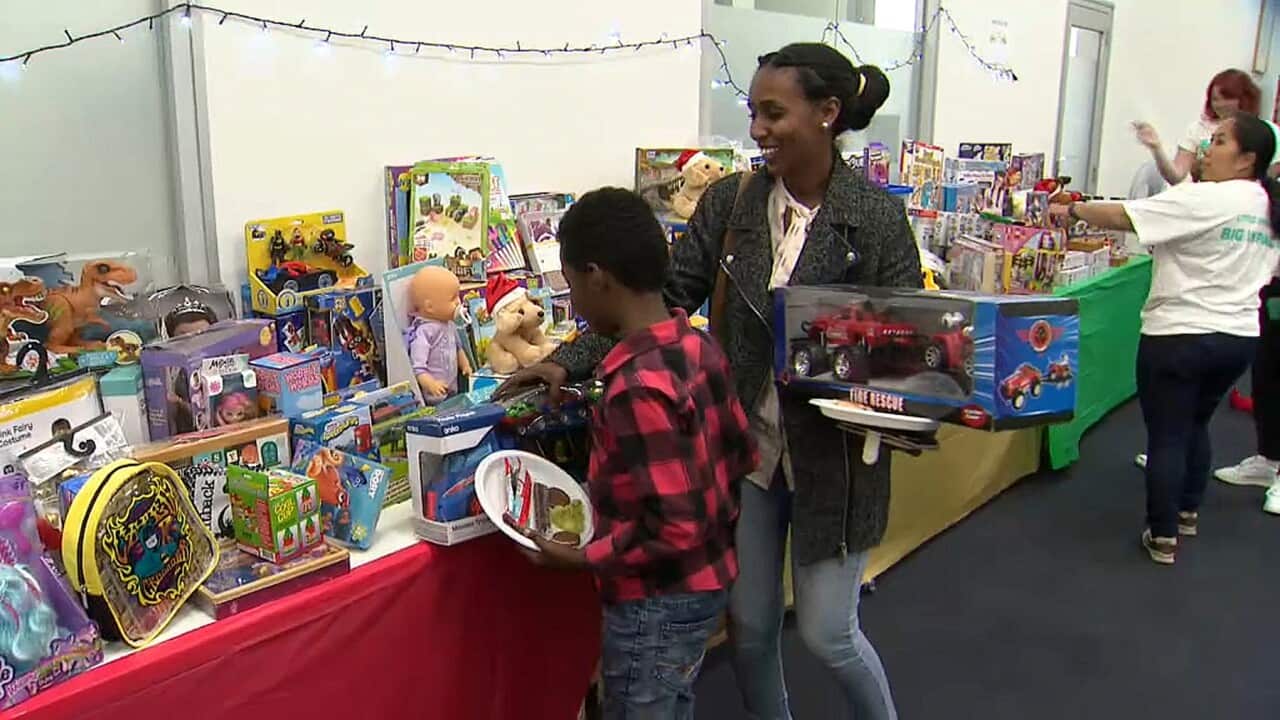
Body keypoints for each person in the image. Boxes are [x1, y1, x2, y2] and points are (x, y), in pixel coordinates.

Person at [507, 42, 920, 720]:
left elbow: (908, 342)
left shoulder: (874, 217)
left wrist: (874, 377)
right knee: (752, 630)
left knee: (828, 632)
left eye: (772, 113)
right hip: (748, 459)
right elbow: (662, 294)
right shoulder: (733, 202)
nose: (756, 130)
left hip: (835, 462)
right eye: (752, 111)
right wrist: (571, 359)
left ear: (827, 113)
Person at [511, 187, 757, 720]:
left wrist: (580, 558)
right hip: (710, 583)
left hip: (655, 602)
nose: (573, 303)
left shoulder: (635, 389)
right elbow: (742, 453)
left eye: (572, 285)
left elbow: (673, 528)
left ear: (598, 275)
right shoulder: (700, 346)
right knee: (674, 699)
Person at [1048, 112, 1280, 563]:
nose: (1206, 150)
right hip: (1237, 337)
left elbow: (1122, 215)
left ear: (1246, 158)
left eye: (1218, 142)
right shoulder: (1264, 205)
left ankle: (1163, 532)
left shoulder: (1208, 199)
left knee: (1168, 433)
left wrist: (1071, 207)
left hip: (1179, 333)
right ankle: (1187, 512)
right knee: (1196, 422)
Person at [1133, 68, 1261, 186]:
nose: (1220, 105)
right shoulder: (1197, 129)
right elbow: (1176, 176)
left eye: (1227, 98)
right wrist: (1156, 147)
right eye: (1215, 99)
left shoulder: (1261, 132)